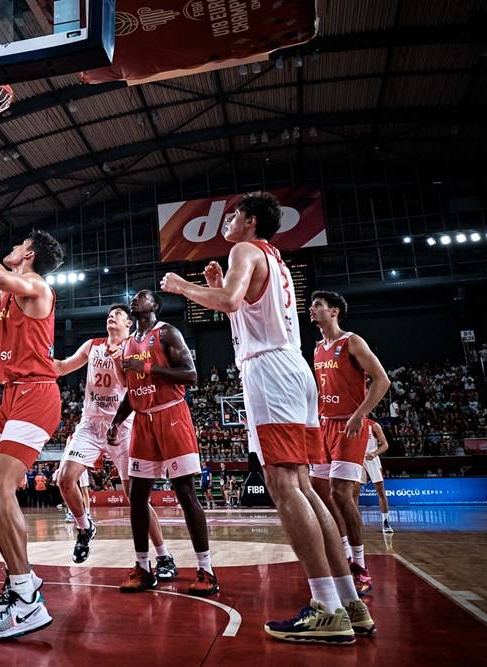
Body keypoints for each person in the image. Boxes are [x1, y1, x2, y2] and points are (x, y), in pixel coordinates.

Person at [160, 192, 372, 644]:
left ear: (250, 221)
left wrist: (185, 287)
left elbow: (232, 301)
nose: (228, 221)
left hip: (270, 374)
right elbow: (248, 309)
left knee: (284, 487)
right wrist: (215, 283)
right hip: (295, 370)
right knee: (306, 488)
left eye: (234, 214)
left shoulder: (244, 249)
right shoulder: (273, 258)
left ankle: (326, 608)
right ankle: (349, 601)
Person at [0, 217, 63, 640]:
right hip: (10, 399)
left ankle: (26, 600)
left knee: (2, 488)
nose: (14, 246)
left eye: (19, 243)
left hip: (37, 394)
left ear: (30, 255)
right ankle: (22, 579)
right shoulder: (7, 295)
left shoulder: (37, 287)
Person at [107, 290, 217, 597]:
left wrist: (149, 369)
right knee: (137, 495)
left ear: (154, 305)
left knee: (185, 492)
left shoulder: (166, 332)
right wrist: (117, 421)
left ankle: (206, 569)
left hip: (172, 416)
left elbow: (191, 375)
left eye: (143, 296)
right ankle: (144, 567)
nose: (135, 298)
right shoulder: (129, 344)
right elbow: (132, 390)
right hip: (142, 420)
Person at [51, 305, 175, 575]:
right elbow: (61, 367)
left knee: (136, 498)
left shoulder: (135, 349)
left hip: (123, 425)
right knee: (64, 479)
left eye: (118, 314)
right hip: (91, 424)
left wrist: (119, 361)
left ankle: (164, 556)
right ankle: (85, 527)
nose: (111, 316)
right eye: (110, 314)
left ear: (129, 324)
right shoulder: (92, 346)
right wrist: (37, 362)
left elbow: (133, 387)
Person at [309, 290, 391, 595]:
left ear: (334, 312)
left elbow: (382, 380)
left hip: (350, 425)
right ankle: (343, 558)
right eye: (311, 306)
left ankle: (360, 564)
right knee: (322, 495)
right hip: (324, 425)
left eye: (318, 305)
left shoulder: (352, 342)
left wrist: (361, 415)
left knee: (341, 493)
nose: (311, 310)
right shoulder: (317, 348)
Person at [354, 419, 393, 534]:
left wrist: (374, 453)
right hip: (358, 459)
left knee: (380, 491)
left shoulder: (374, 425)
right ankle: (355, 521)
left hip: (372, 459)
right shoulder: (353, 423)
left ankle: (385, 521)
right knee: (354, 493)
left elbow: (385, 445)